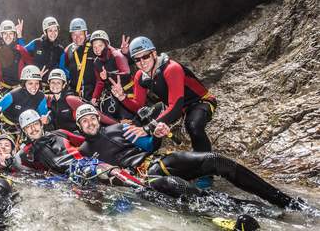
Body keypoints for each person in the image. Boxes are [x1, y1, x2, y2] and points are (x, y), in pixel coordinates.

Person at [73, 104, 314, 211]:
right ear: (80, 126)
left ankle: (286, 201)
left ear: (97, 117)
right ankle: (253, 209)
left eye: (92, 117)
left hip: (156, 162)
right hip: (142, 179)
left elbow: (148, 144)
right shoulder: (83, 151)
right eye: (84, 121)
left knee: (216, 160)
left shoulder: (116, 129)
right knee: (181, 188)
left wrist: (157, 135)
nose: (90, 122)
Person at [110, 36, 217, 187]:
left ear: (154, 53)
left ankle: (207, 173)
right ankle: (142, 158)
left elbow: (175, 106)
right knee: (142, 117)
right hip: (175, 107)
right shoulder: (140, 76)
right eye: (137, 59)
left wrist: (148, 128)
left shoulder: (171, 68)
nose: (142, 62)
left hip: (199, 101)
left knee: (193, 125)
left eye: (145, 56)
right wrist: (122, 97)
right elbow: (137, 105)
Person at [16, 109, 144, 188]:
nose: (33, 129)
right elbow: (13, 165)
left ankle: (142, 188)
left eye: (35, 124)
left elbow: (90, 139)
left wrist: (116, 133)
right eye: (28, 127)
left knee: (108, 172)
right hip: (63, 179)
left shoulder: (60, 133)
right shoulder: (26, 152)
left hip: (82, 165)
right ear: (24, 131)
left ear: (41, 124)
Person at [0, 65, 48, 148]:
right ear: (24, 83)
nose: (34, 87)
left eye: (37, 83)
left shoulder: (40, 96)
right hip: (6, 126)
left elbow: (44, 115)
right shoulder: (14, 94)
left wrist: (47, 120)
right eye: (30, 83)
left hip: (24, 127)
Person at [45, 69, 117, 132]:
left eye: (58, 83)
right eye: (53, 82)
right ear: (49, 84)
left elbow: (96, 113)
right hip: (62, 137)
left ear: (64, 85)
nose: (55, 85)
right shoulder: (52, 100)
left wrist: (117, 124)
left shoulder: (70, 99)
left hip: (77, 135)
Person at [89, 30, 135, 121]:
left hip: (127, 93)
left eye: (100, 45)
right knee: (108, 119)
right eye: (94, 47)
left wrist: (109, 75)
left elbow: (126, 74)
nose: (97, 49)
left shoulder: (116, 55)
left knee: (128, 120)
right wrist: (94, 97)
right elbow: (100, 82)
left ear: (106, 45)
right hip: (112, 94)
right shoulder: (97, 62)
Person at [0, 19, 33, 105]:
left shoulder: (20, 50)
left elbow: (29, 63)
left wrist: (20, 37)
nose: (8, 36)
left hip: (19, 89)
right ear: (1, 35)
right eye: (5, 33)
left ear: (14, 35)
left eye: (11, 33)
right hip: (2, 89)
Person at [24, 16, 66, 91]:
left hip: (52, 88)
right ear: (45, 32)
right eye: (50, 30)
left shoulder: (60, 50)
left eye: (55, 30)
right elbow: (22, 52)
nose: (53, 33)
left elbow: (62, 69)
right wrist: (33, 73)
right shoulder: (36, 43)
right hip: (35, 85)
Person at [60, 18, 97, 100]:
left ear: (86, 33)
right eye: (74, 35)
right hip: (76, 95)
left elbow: (110, 56)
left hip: (95, 95)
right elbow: (62, 69)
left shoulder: (94, 45)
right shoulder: (68, 50)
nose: (77, 38)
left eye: (80, 34)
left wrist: (125, 53)